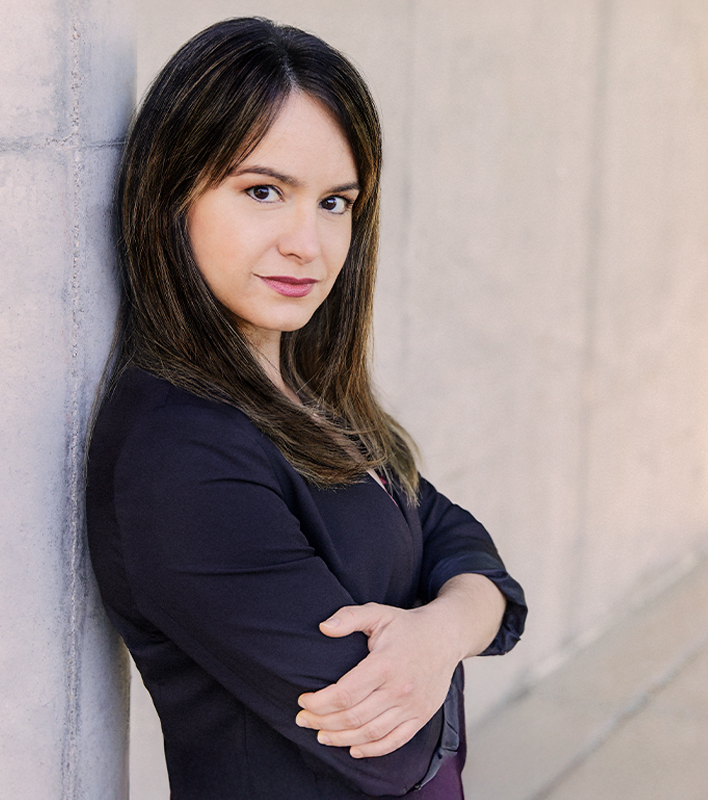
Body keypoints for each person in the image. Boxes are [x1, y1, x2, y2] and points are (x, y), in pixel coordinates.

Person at [86, 17, 526, 800]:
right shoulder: (179, 452)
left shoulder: (317, 402)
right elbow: (393, 744)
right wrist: (453, 625)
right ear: (170, 193)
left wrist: (439, 633)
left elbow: (467, 549)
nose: (308, 243)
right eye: (263, 191)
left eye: (335, 202)